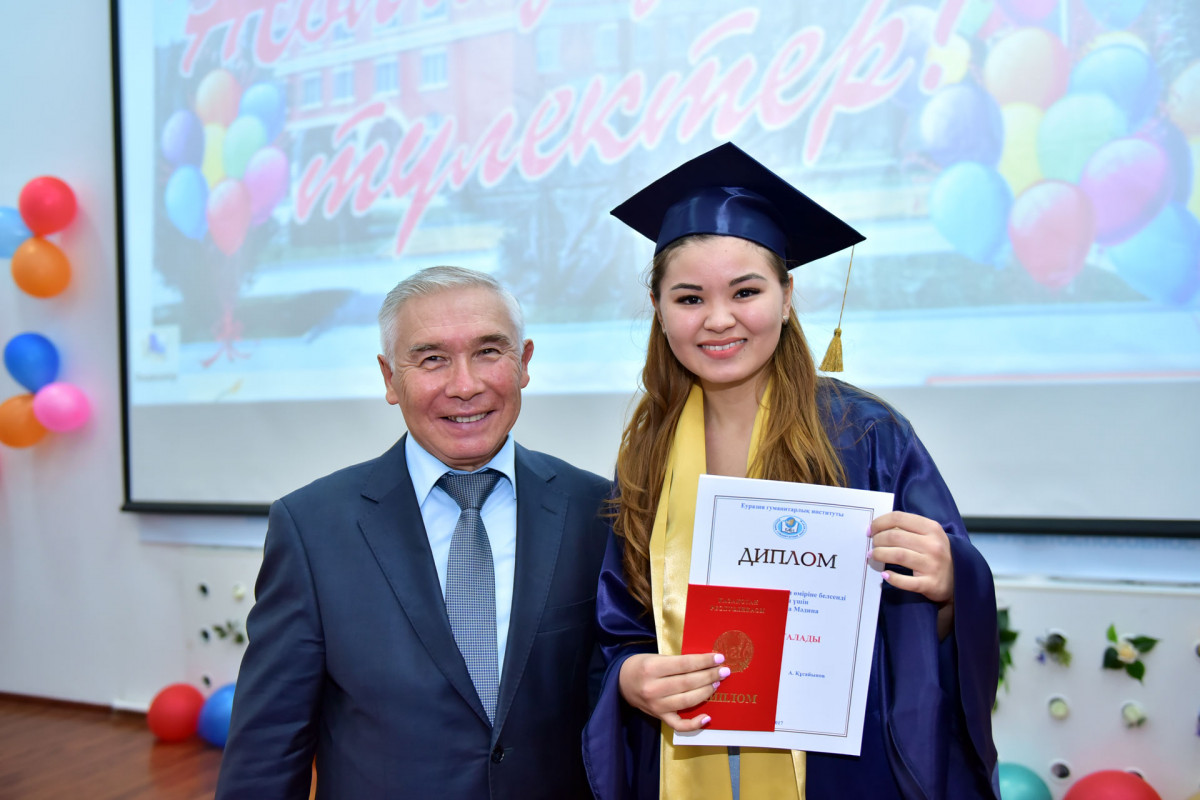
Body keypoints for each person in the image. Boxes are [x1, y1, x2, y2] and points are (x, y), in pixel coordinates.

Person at [581, 143, 1000, 800]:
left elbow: (928, 631)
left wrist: (950, 584)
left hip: (841, 767)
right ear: (658, 307)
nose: (719, 319)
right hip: (687, 757)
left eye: (746, 291)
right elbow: (624, 622)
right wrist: (631, 677)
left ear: (786, 296)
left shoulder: (866, 436)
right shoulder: (647, 454)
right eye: (689, 298)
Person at [216, 266, 610, 799]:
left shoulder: (596, 511)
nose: (465, 385)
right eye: (432, 359)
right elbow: (269, 743)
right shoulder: (312, 529)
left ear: (524, 363)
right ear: (389, 379)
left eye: (489, 351)